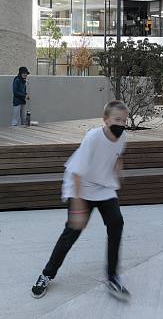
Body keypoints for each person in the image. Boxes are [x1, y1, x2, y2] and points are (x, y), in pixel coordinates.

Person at [31, 100, 132, 301]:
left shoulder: (123, 137)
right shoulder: (93, 137)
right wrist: (77, 209)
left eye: (124, 120)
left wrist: (118, 168)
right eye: (117, 120)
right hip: (81, 187)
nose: (121, 124)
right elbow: (76, 172)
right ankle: (46, 275)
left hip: (104, 188)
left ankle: (112, 276)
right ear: (105, 120)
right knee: (72, 233)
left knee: (116, 224)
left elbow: (117, 155)